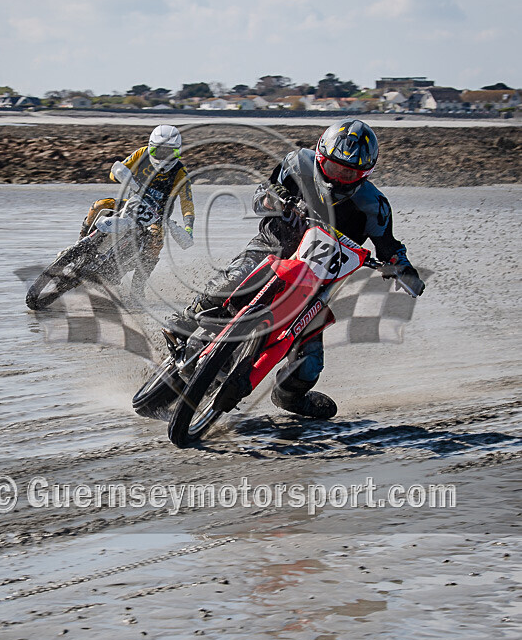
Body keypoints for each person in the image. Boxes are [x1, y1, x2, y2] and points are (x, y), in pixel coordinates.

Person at [167, 119, 425, 419]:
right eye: (333, 166)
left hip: (320, 282)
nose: (339, 176)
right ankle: (186, 319)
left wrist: (403, 269)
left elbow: (389, 246)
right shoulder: (297, 163)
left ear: (363, 174)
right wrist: (278, 199)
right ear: (320, 156)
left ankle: (289, 397)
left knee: (309, 365)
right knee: (235, 278)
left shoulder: (375, 205)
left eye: (349, 172)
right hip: (273, 247)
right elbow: (262, 194)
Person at [79, 125, 194, 300]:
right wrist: (120, 175)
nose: (164, 157)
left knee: (155, 244)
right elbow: (116, 172)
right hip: (131, 204)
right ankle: (79, 245)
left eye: (169, 153)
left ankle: (137, 290)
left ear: (177, 152)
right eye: (159, 151)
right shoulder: (141, 154)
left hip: (157, 217)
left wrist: (188, 229)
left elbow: (187, 203)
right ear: (151, 147)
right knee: (99, 205)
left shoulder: (180, 172)